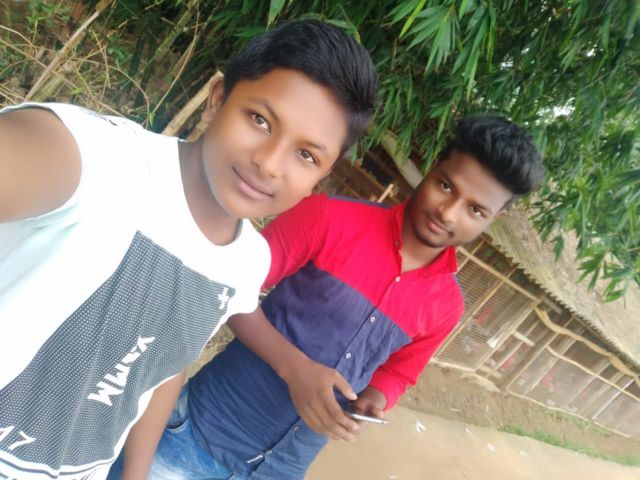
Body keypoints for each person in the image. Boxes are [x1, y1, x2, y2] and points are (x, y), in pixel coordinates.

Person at [0, 19, 378, 480]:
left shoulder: (246, 262)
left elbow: (163, 367)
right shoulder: (100, 160)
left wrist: (133, 474)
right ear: (217, 99)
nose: (268, 163)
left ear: (321, 176)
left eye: (306, 155)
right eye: (260, 120)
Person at [147, 115, 544, 479]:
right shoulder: (327, 218)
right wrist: (294, 369)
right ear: (432, 169)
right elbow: (227, 286)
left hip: (283, 469)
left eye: (475, 210)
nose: (449, 213)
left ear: (495, 219)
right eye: (446, 186)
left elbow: (399, 372)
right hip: (198, 435)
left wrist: (375, 399)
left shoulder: (446, 306)